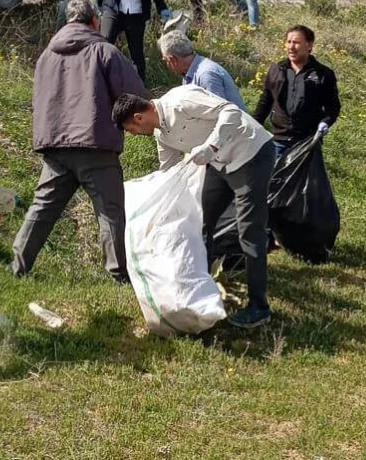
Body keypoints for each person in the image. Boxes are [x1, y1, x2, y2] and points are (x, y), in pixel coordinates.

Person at [12, 0, 151, 284]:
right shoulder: (105, 51)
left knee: (42, 208)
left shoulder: (46, 56)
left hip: (55, 145)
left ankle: (18, 267)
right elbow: (134, 96)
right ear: (95, 21)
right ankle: (119, 274)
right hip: (95, 143)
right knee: (110, 212)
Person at [114, 86, 277, 329]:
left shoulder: (181, 100)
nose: (134, 135)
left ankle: (259, 308)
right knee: (201, 222)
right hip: (218, 165)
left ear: (138, 117)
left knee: (249, 231)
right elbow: (168, 172)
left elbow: (230, 111)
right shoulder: (161, 135)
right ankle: (200, 295)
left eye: (131, 130)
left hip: (250, 154)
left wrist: (211, 146)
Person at [253, 25, 340, 157]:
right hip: (278, 141)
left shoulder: (323, 74)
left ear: (309, 45)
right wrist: (253, 126)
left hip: (307, 143)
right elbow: (265, 102)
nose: (291, 47)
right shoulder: (277, 70)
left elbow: (333, 107)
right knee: (272, 171)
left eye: (296, 42)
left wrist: (325, 122)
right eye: (289, 42)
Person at [157, 32, 246, 110]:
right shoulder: (189, 73)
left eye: (166, 61)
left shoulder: (206, 75)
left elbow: (218, 112)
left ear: (173, 60)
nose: (167, 65)